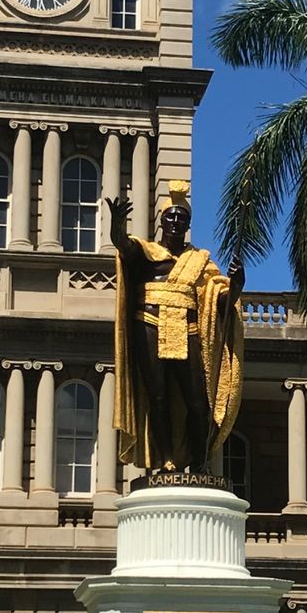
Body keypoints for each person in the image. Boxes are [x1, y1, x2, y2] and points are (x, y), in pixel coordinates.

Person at [107, 182, 244, 473]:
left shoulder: (199, 260)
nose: (175, 222)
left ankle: (199, 463)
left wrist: (236, 285)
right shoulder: (147, 252)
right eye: (170, 216)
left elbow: (218, 298)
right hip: (149, 324)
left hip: (187, 327)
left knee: (197, 401)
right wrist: (117, 227)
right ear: (161, 221)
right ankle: (166, 459)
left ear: (188, 224)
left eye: (181, 218)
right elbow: (124, 246)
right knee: (157, 397)